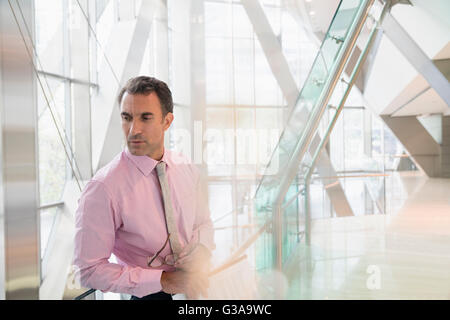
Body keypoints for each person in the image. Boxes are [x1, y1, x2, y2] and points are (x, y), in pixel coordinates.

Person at [73, 76, 215, 300]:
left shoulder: (186, 167)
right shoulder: (103, 188)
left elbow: (204, 223)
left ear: (167, 122)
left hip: (199, 287)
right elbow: (88, 270)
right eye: (126, 118)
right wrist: (163, 281)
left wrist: (202, 249)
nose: (133, 130)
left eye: (145, 118)